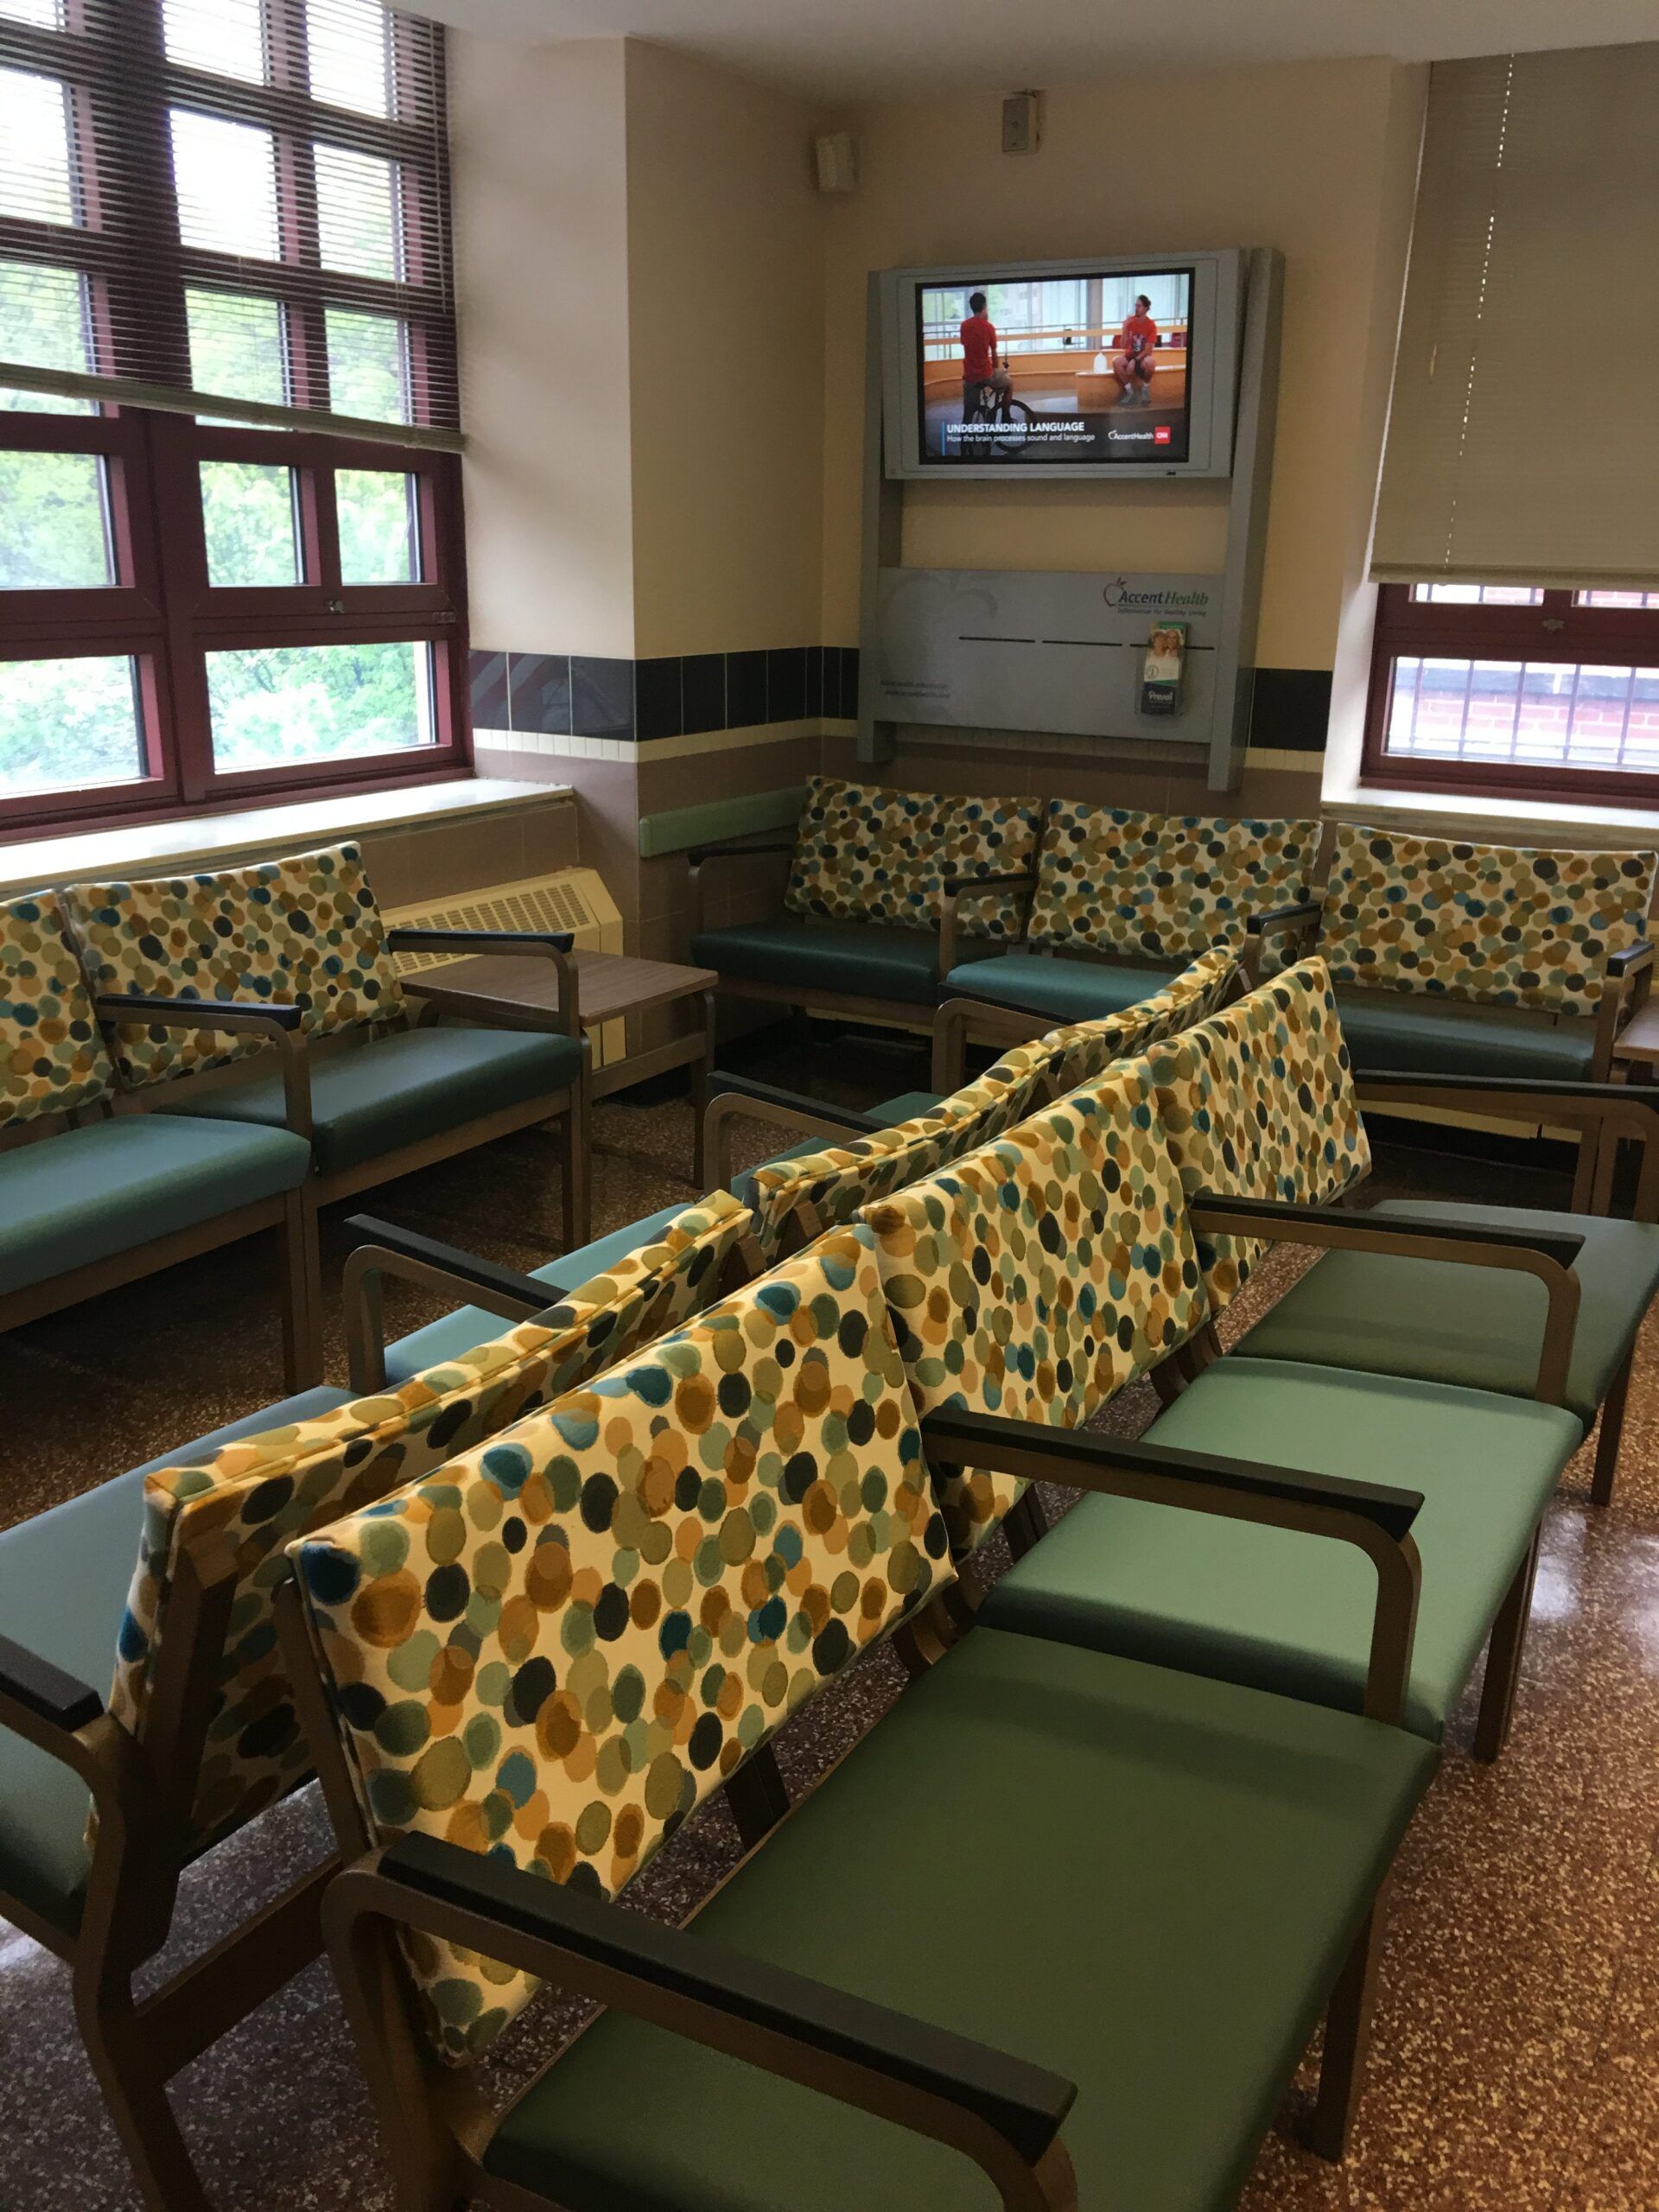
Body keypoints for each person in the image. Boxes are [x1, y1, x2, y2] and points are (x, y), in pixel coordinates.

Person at [959, 289, 1002, 423]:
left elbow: (967, 345)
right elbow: (994, 354)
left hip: (970, 375)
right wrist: (996, 370)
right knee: (1010, 384)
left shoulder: (964, 326)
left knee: (968, 412)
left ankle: (966, 434)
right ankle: (1005, 417)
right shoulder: (989, 327)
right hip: (986, 374)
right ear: (984, 306)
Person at [1111, 293, 1159, 405]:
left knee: (1151, 363)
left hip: (1142, 358)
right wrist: (1125, 328)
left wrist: (1135, 361)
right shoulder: (1130, 322)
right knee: (1116, 361)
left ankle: (1145, 388)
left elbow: (1148, 350)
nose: (1136, 308)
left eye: (1139, 306)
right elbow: (1123, 346)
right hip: (1129, 356)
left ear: (1146, 308)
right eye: (1135, 305)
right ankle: (1129, 391)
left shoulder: (1151, 325)